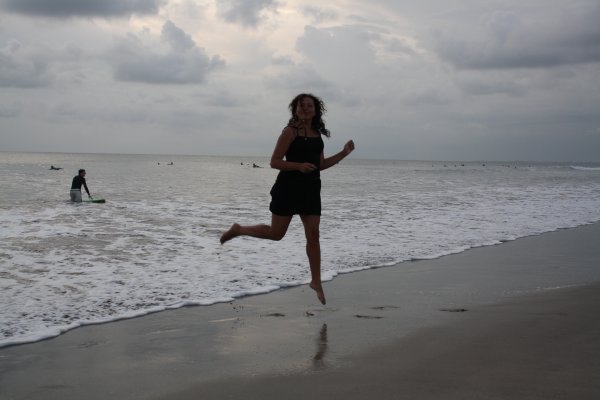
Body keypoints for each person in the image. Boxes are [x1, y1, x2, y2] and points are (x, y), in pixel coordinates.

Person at [220, 93, 355, 305]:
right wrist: (298, 166)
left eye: (309, 106)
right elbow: (274, 162)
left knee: (314, 235)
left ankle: (316, 281)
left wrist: (344, 153)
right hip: (288, 188)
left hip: (311, 189)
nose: (305, 109)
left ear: (316, 110)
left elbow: (320, 165)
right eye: (301, 106)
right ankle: (239, 229)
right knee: (276, 234)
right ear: (295, 110)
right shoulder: (289, 132)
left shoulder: (317, 135)